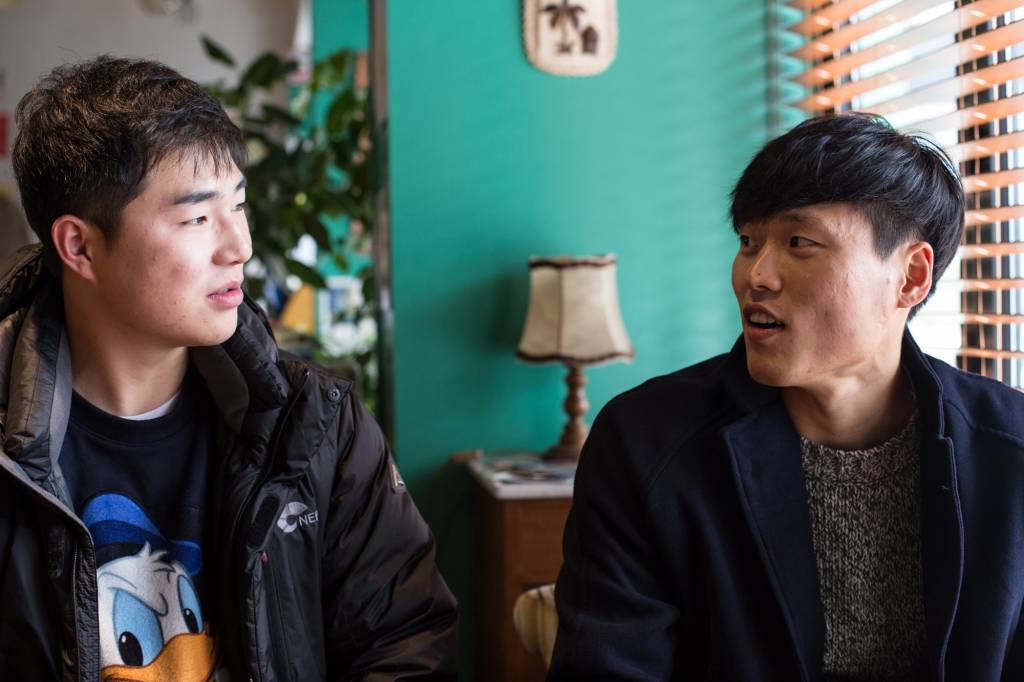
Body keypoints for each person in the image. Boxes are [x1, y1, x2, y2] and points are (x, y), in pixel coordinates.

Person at [0, 56, 457, 681]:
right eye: (196, 217)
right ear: (80, 246)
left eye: (238, 205)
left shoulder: (314, 427)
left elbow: (406, 644)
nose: (239, 246)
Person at [549, 113, 1024, 681]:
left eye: (800, 243)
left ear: (910, 277)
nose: (756, 275)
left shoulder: (1011, 448)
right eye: (748, 242)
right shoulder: (645, 443)